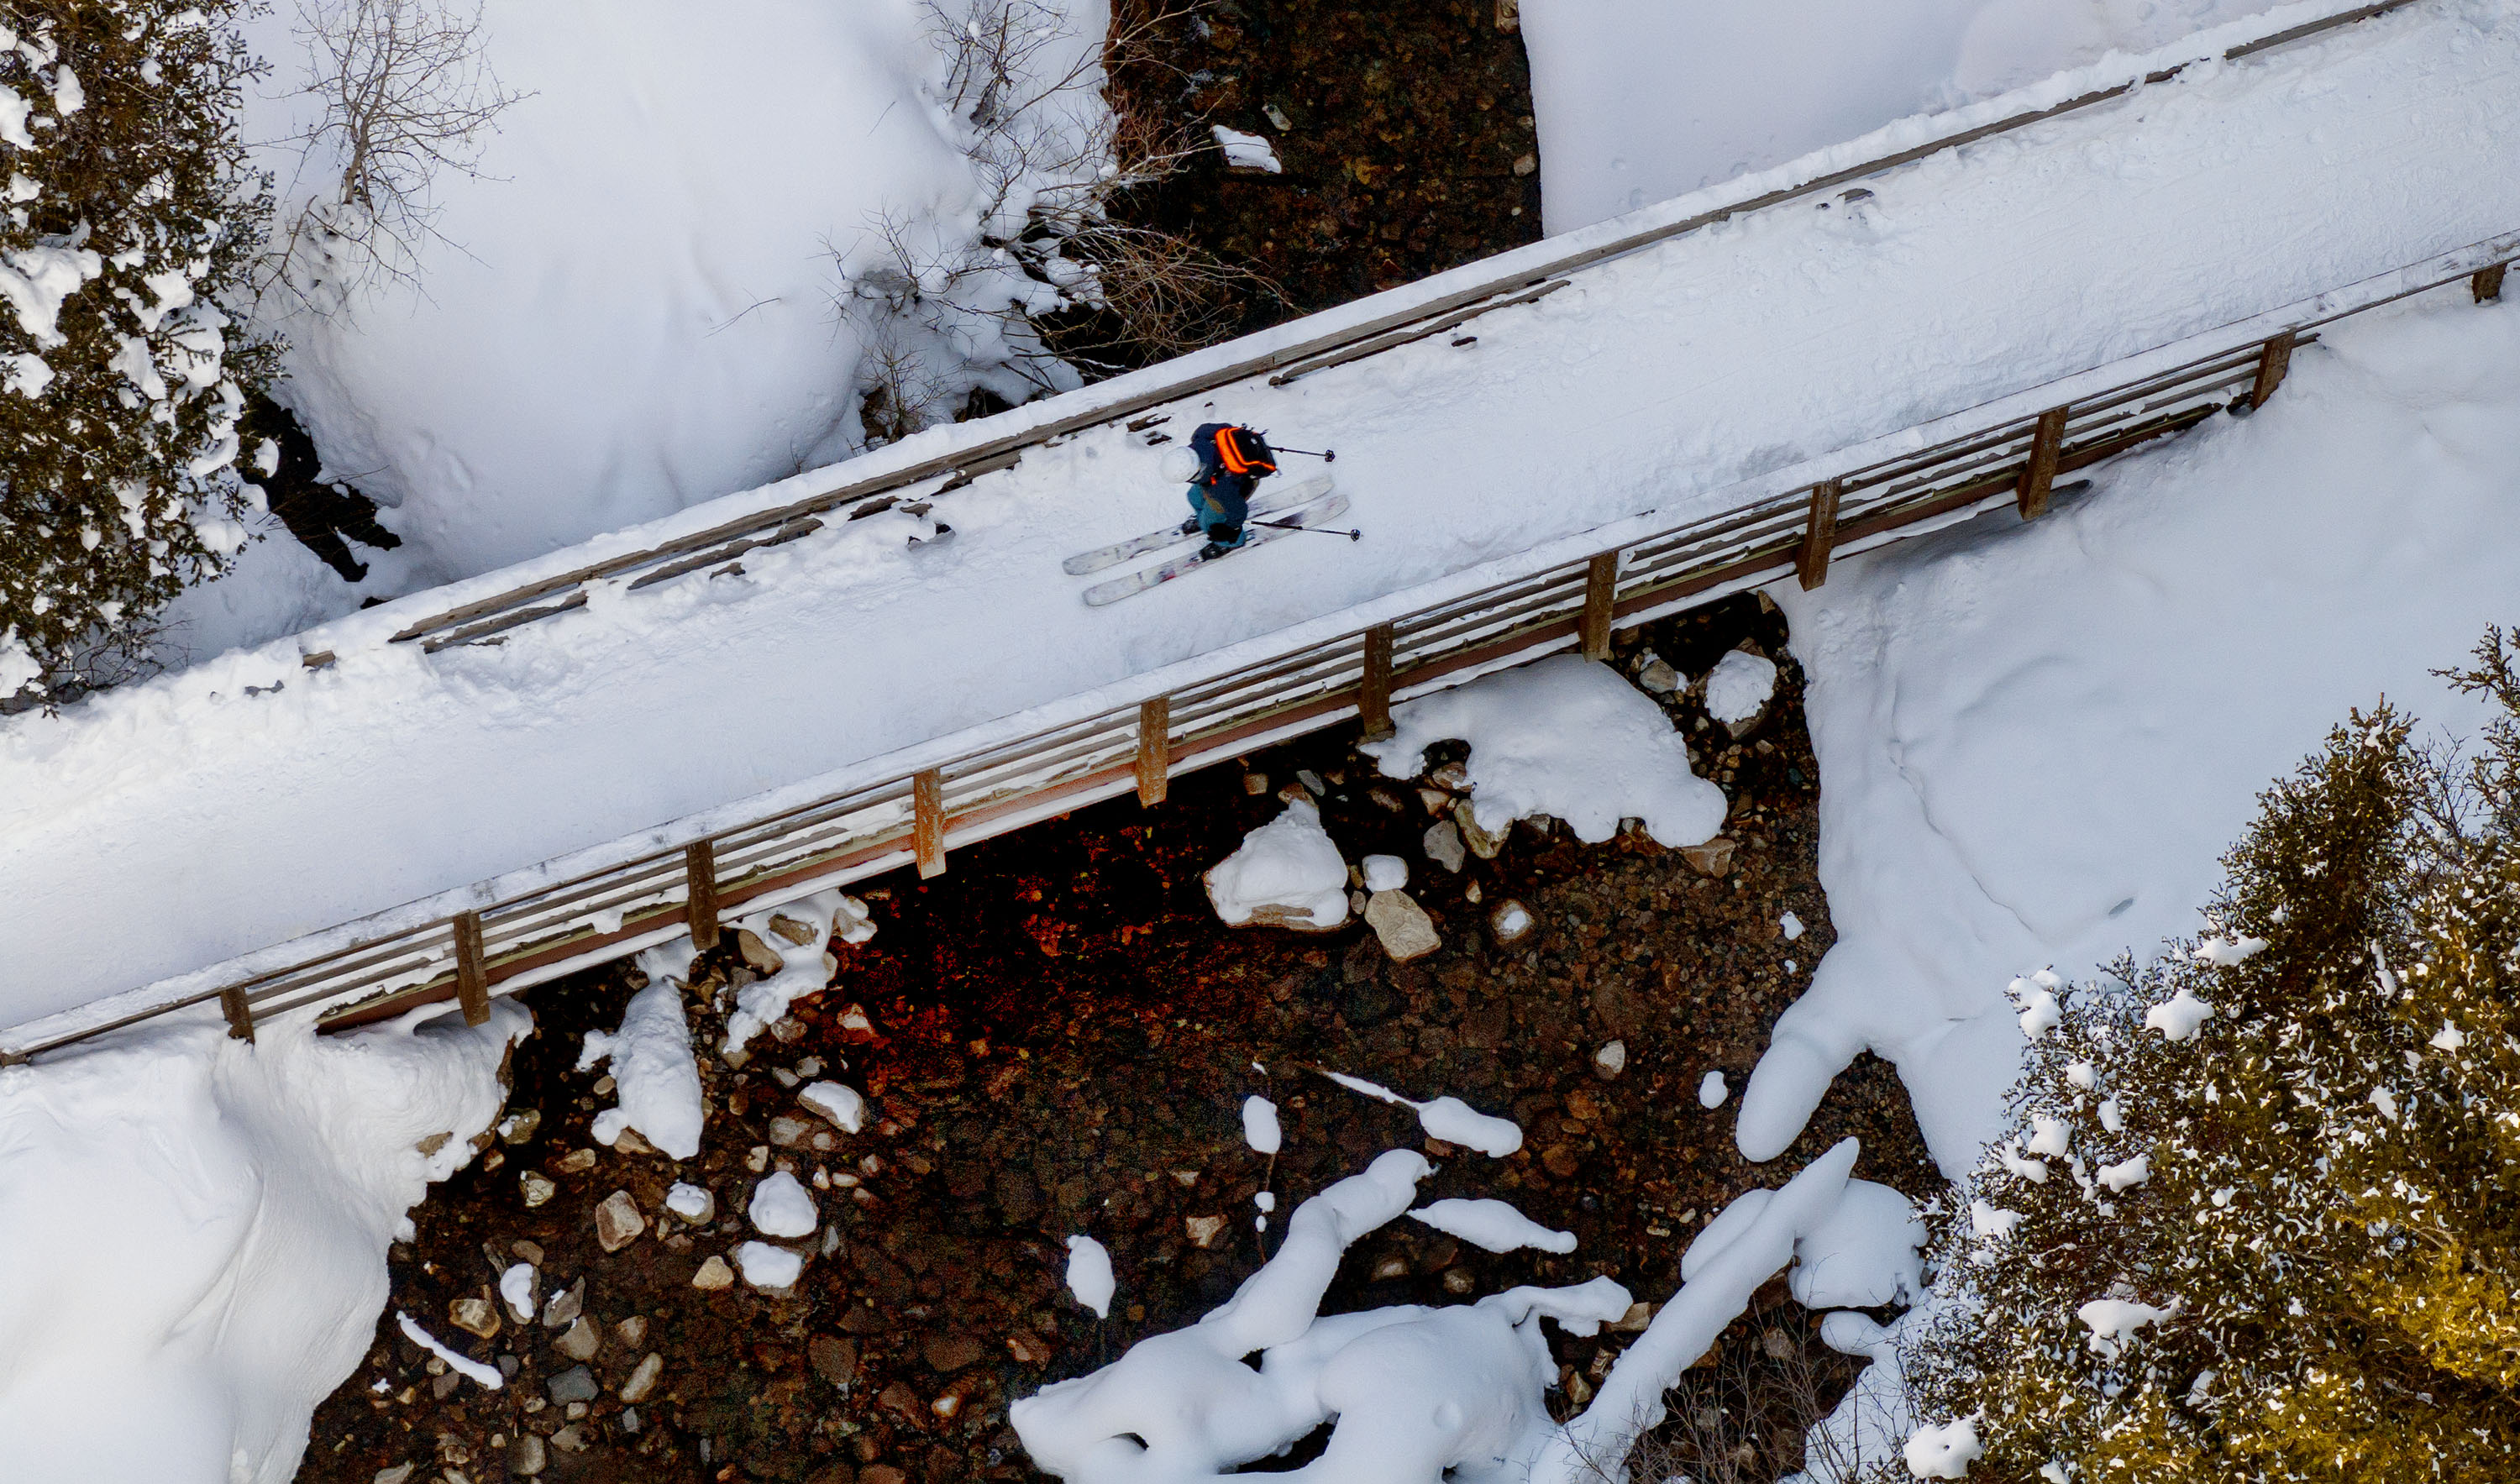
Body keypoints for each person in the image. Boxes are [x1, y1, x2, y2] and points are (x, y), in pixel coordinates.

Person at [1179, 422, 1277, 558]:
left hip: (1239, 485)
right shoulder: (1201, 434)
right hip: (1215, 478)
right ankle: (1202, 518)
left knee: (1209, 522)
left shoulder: (1221, 490)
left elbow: (1238, 511)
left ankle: (1231, 543)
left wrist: (1231, 529)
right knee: (1193, 496)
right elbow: (1226, 427)